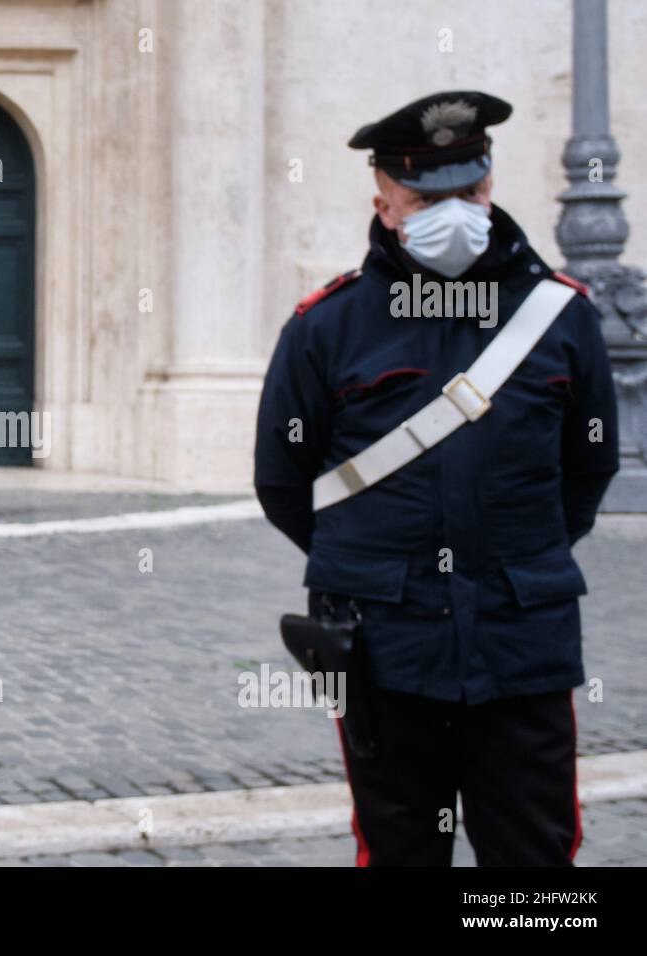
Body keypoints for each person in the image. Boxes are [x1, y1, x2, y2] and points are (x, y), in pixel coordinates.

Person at [254, 91, 619, 866]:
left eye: (471, 191)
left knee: (535, 868)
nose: (453, 212)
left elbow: (589, 469)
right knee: (399, 850)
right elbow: (284, 480)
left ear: (490, 187)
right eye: (425, 197)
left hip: (524, 643)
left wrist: (520, 556)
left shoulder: (561, 317)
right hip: (385, 646)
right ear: (385, 202)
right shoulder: (326, 325)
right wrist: (371, 560)